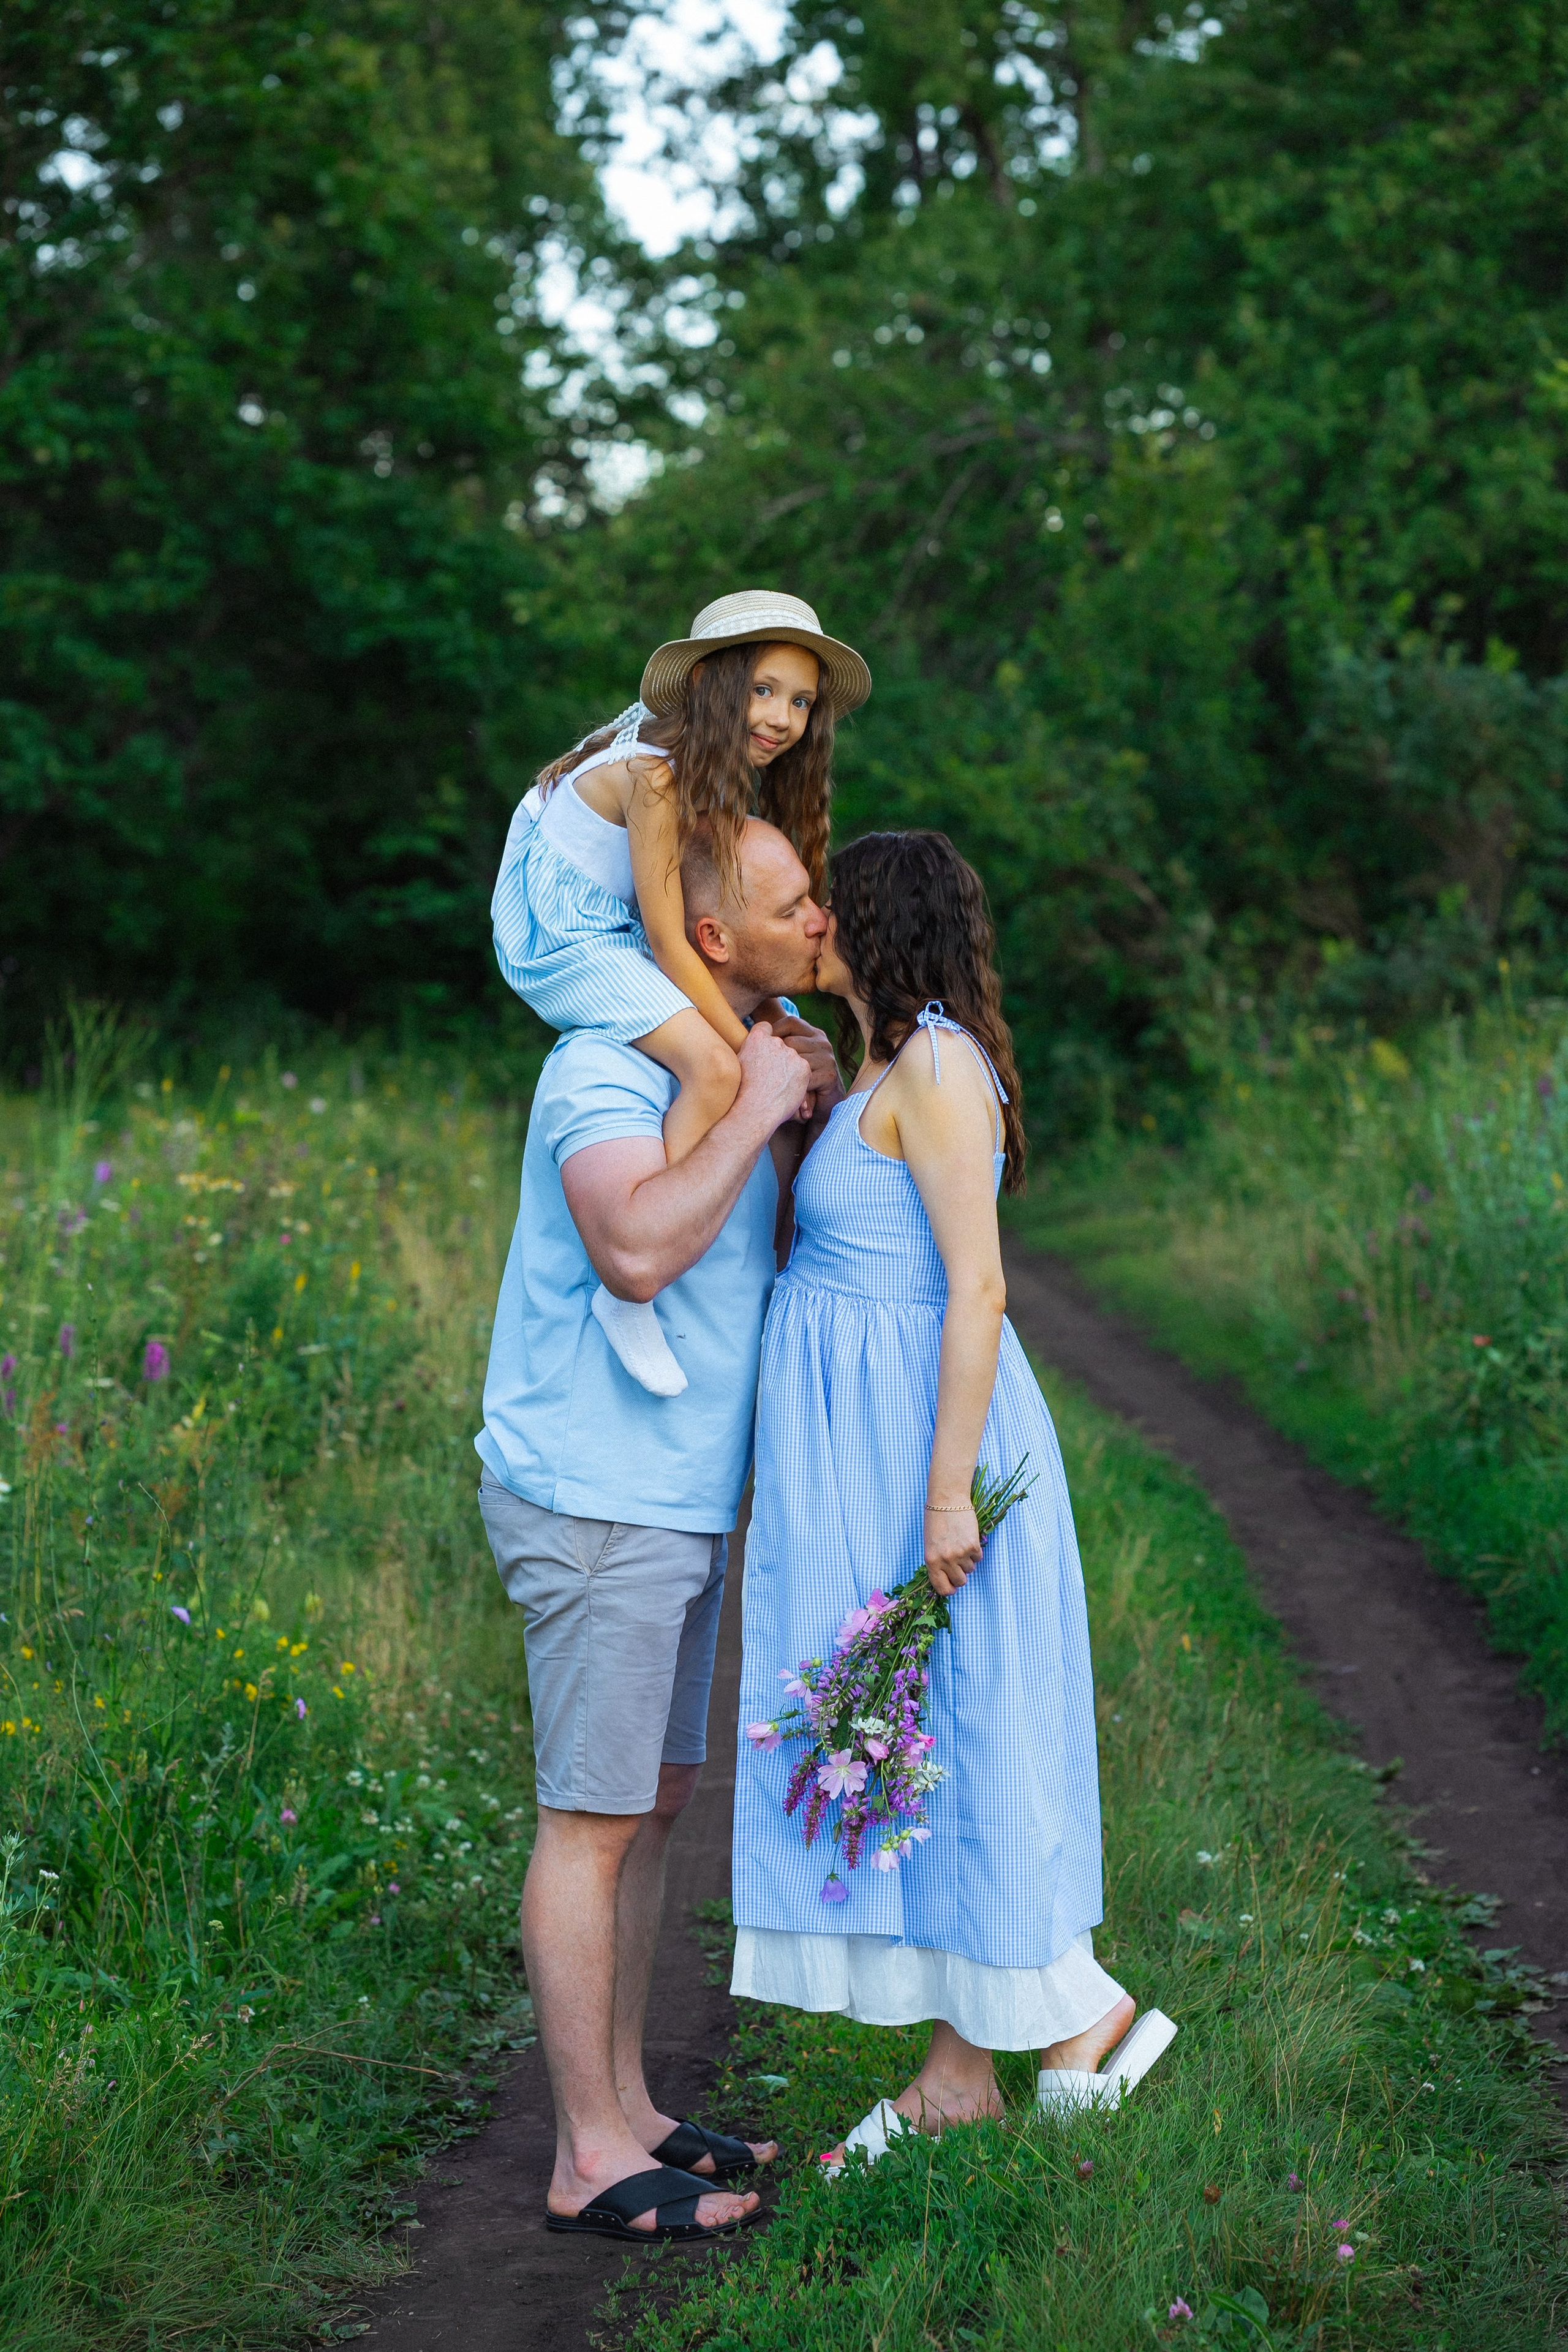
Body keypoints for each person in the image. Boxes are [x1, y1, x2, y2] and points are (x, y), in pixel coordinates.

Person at [731, 830, 1177, 2169]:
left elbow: (975, 1287)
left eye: (830, 905)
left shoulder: (934, 1065)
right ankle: (988, 2060)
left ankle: (1037, 2035)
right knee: (927, 1732)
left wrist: (945, 1498)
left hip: (930, 1451)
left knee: (962, 1731)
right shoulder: (877, 1065)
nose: (811, 921)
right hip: (866, 1453)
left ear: (879, 924)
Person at [476, 814, 844, 2243]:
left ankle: (625, 2109)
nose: (819, 919)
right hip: (594, 1498)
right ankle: (583, 2155)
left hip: (677, 1500)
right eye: (793, 902)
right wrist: (755, 1105)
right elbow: (633, 1250)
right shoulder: (602, 1066)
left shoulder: (734, 1061)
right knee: (590, 1820)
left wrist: (791, 1103)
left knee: (653, 1801)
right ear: (708, 936)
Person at [491, 589, 870, 1398]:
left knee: (748, 1037)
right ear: (708, 684)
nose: (783, 718)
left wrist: (770, 1021)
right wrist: (747, 1050)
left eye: (801, 701)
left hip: (608, 927)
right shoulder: (655, 777)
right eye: (764, 690)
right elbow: (671, 942)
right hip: (570, 939)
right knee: (716, 1068)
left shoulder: (695, 773)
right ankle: (634, 1289)